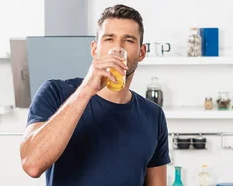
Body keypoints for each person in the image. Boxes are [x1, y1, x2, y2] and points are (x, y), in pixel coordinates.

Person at [19, 4, 170, 186]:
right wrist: (86, 89)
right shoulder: (55, 92)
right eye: (109, 39)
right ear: (94, 49)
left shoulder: (153, 115)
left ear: (142, 53)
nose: (117, 48)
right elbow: (31, 164)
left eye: (128, 40)